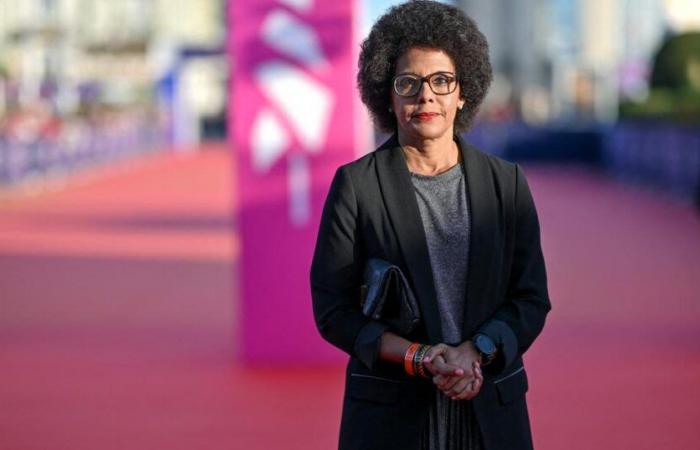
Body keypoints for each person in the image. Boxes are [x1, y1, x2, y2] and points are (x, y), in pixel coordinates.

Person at [310, 1, 551, 449]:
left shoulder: (506, 184)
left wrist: (477, 350)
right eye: (409, 83)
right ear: (388, 94)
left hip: (490, 409)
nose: (426, 96)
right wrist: (418, 357)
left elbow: (531, 297)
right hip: (390, 417)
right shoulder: (357, 186)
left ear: (463, 92)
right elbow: (332, 309)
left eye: (442, 81)